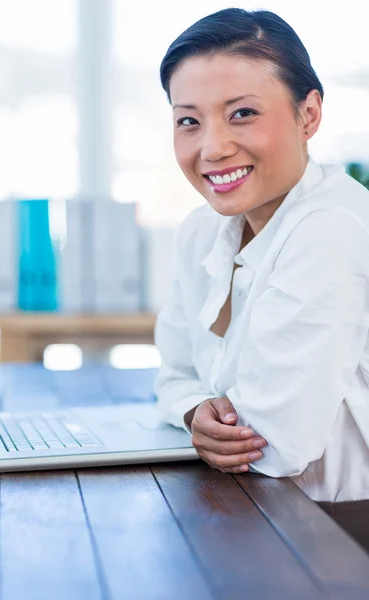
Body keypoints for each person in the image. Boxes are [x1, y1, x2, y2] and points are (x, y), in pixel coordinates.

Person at [154, 7, 369, 553]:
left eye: (242, 113)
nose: (212, 147)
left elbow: (274, 444)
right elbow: (172, 375)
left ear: (309, 114)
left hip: (340, 532)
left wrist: (210, 417)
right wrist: (192, 411)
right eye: (189, 120)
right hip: (258, 515)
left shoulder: (331, 227)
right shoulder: (203, 230)